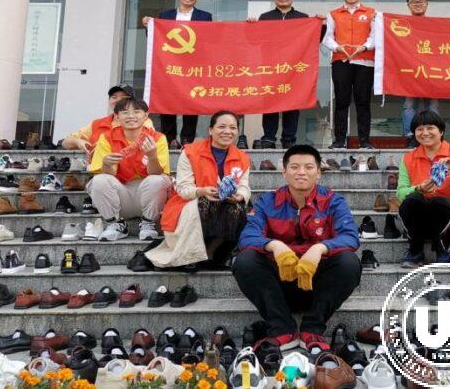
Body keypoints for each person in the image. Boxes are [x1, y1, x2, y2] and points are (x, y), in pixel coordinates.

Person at [233, 144, 361, 351]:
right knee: (245, 260)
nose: (301, 172)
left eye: (309, 167)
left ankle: (312, 329)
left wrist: (320, 248)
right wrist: (274, 245)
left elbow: (350, 237)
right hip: (278, 286)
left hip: (317, 285)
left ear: (319, 172)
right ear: (284, 172)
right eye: (294, 167)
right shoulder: (267, 201)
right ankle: (282, 329)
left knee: (349, 263)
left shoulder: (333, 201)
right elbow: (247, 236)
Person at [147, 110, 251, 270]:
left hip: (223, 205)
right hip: (188, 204)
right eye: (222, 127)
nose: (227, 131)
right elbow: (183, 188)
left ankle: (212, 253)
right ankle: (192, 254)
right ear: (210, 130)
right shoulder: (190, 152)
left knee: (237, 208)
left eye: (233, 128)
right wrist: (201, 191)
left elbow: (244, 186)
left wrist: (240, 195)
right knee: (204, 204)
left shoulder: (242, 157)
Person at [396, 110, 450, 267]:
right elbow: (401, 193)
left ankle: (442, 250)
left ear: (441, 131)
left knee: (439, 202)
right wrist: (418, 189)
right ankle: (415, 251)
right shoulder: (408, 158)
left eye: (430, 128)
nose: (425, 133)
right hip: (427, 223)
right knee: (413, 199)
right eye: (419, 129)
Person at [251, 0, 325, 149]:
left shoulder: (302, 17)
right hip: (271, 67)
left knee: (293, 103)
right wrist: (251, 25)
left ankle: (289, 138)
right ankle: (269, 138)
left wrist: (321, 25)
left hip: (294, 68)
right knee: (270, 102)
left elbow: (315, 39)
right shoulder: (265, 17)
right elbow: (254, 41)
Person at [87, 97, 172, 242]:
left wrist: (152, 156)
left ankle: (148, 223)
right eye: (125, 112)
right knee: (99, 180)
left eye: (136, 112)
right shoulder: (107, 138)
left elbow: (157, 173)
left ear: (146, 115)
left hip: (147, 195)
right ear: (117, 116)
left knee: (158, 180)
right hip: (120, 195)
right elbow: (108, 175)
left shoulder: (157, 138)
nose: (131, 116)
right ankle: (115, 223)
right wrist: (106, 164)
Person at [142, 0, 213, 145]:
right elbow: (155, 38)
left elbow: (209, 40)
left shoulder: (205, 16)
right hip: (169, 65)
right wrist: (148, 26)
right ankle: (169, 138)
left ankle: (187, 139)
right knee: (167, 99)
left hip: (193, 66)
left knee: (191, 100)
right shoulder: (165, 15)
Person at [323, 0, 377, 149]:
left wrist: (364, 47)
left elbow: (375, 36)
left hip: (365, 62)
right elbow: (327, 37)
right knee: (341, 101)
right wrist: (337, 47)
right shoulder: (333, 14)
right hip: (341, 61)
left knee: (363, 102)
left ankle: (365, 141)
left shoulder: (372, 13)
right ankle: (339, 141)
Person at [61, 84, 153, 156]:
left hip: (131, 170)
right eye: (114, 97)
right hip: (97, 170)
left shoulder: (142, 121)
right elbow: (65, 143)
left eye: (123, 97)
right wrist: (78, 142)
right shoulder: (97, 124)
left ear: (132, 102)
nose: (118, 100)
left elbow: (145, 142)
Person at [401, 0, 439, 148]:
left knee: (433, 105)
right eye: (414, 2)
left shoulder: (435, 25)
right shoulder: (402, 25)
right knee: (409, 105)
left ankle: (435, 134)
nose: (418, 5)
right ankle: (411, 136)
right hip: (410, 71)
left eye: (421, 2)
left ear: (427, 4)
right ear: (408, 5)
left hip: (432, 71)